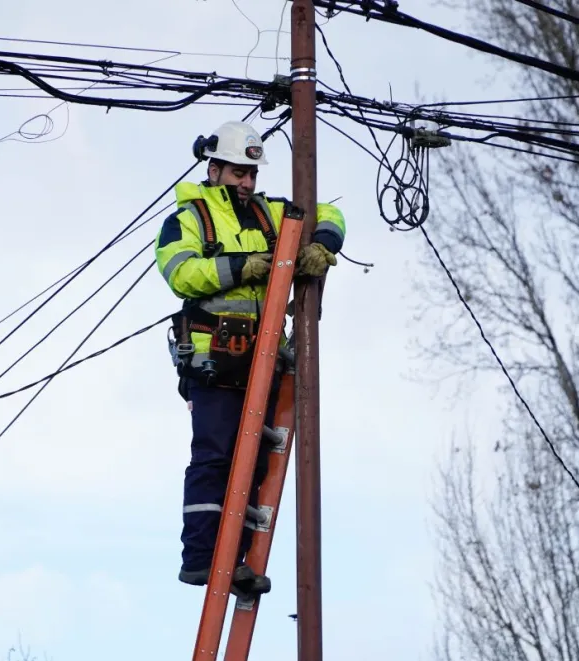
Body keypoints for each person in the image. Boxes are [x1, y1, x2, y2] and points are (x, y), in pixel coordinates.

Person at [154, 119, 346, 597]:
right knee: (215, 457)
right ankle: (200, 559)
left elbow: (330, 214)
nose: (246, 182)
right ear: (215, 167)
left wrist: (321, 245)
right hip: (213, 358)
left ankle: (234, 560)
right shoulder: (188, 218)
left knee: (255, 464)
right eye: (238, 172)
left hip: (263, 360)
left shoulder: (271, 213)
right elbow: (182, 273)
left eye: (252, 174)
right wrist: (244, 267)